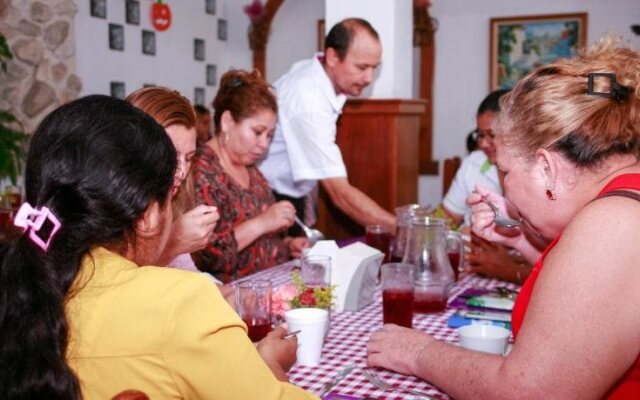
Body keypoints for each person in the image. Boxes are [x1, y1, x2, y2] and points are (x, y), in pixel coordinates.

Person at [367, 37, 640, 398]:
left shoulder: (612, 225)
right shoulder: (620, 204)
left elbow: (529, 393)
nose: (506, 190)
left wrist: (418, 352)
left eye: (505, 171)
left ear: (546, 169)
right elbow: (590, 304)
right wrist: (519, 238)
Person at [0, 95, 316, 399]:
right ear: (150, 215)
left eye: (189, 159)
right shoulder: (180, 302)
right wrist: (271, 364)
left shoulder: (21, 287)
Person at [258, 18, 396, 235]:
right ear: (332, 57)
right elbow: (341, 195)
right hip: (267, 197)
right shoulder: (308, 100)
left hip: (290, 192)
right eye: (362, 67)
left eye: (374, 68)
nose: (369, 78)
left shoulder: (317, 72)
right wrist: (405, 229)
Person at [193, 69, 309, 283]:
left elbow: (260, 241)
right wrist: (263, 222)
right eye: (257, 132)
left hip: (271, 285)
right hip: (230, 300)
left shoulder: (251, 168)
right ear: (227, 121)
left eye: (270, 135)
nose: (264, 144)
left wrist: (287, 244)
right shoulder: (202, 171)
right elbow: (207, 257)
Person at [125, 87, 219, 272]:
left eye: (189, 158)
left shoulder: (171, 202)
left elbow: (188, 275)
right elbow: (117, 291)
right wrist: (173, 243)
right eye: (171, 156)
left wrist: (226, 292)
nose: (182, 172)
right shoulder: (105, 206)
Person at [442, 89, 510, 227]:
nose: (484, 144)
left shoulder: (535, 174)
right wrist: (420, 223)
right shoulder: (474, 163)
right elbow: (448, 217)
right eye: (480, 135)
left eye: (491, 135)